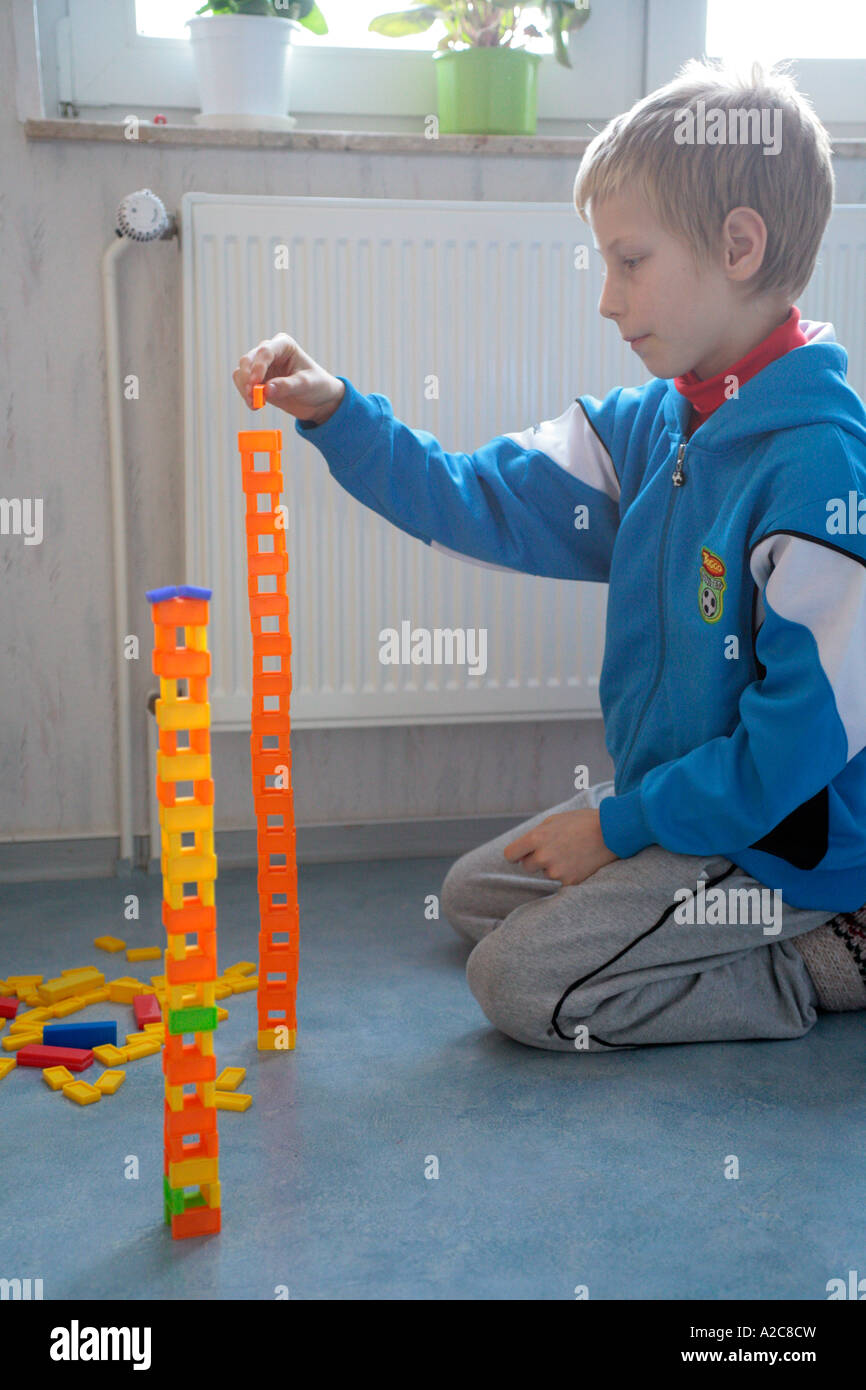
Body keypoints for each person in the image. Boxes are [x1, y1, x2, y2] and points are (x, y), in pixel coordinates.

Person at [232, 58, 866, 1051]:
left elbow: (787, 757)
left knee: (519, 983)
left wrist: (615, 830)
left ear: (737, 246)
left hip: (782, 844)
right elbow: (469, 492)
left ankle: (814, 962)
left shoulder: (818, 474)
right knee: (473, 894)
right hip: (684, 806)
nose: (607, 300)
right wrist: (337, 413)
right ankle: (666, 912)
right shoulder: (652, 428)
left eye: (628, 260)